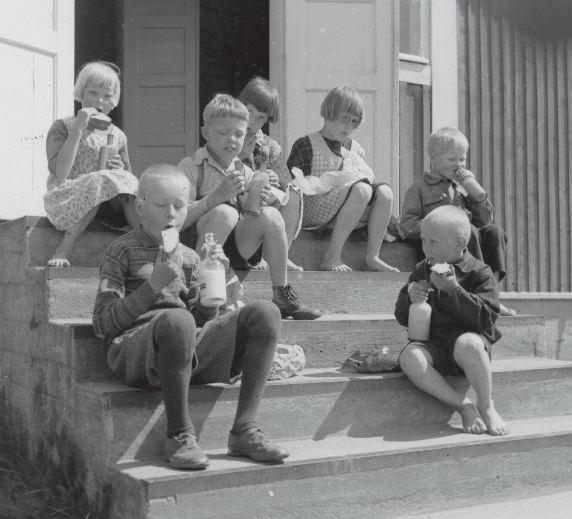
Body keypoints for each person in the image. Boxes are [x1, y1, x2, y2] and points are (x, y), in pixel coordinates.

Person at [92, 164, 289, 470]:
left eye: (179, 206)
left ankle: (244, 429)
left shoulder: (191, 257)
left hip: (180, 352)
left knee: (266, 312)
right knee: (178, 320)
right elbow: (103, 323)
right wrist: (153, 285)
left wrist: (211, 295)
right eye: (161, 205)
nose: (171, 215)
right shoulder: (121, 251)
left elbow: (198, 323)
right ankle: (179, 435)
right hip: (135, 352)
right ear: (140, 207)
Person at [178, 94, 320, 320]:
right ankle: (196, 292)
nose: (232, 140)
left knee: (271, 215)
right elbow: (177, 220)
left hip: (232, 250)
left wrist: (264, 196)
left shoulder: (244, 170)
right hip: (196, 250)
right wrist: (216, 197)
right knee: (225, 213)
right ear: (206, 133)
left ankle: (282, 293)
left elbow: (253, 212)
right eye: (223, 133)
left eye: (239, 134)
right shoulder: (191, 166)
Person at [395, 205, 510, 437]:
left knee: (469, 344)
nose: (426, 248)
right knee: (409, 358)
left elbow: (487, 319)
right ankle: (463, 405)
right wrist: (410, 299)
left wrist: (454, 290)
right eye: (424, 241)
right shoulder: (422, 270)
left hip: (468, 348)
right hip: (434, 345)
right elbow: (401, 316)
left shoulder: (480, 272)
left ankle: (486, 406)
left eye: (433, 242)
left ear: (459, 243)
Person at [398, 127, 516, 316]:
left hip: (466, 246)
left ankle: (490, 295)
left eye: (462, 159)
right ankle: (472, 292)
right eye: (452, 159)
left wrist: (476, 194)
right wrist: (439, 226)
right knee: (469, 230)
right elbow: (406, 225)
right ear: (433, 158)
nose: (458, 165)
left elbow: (485, 220)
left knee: (494, 232)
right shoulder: (419, 188)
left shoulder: (461, 188)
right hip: (440, 249)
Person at [286, 86, 398, 273]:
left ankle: (372, 257)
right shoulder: (307, 144)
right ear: (330, 113)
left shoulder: (354, 148)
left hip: (346, 211)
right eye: (345, 118)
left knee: (385, 192)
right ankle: (332, 257)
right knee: (362, 189)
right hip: (314, 208)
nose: (349, 127)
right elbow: (293, 187)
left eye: (354, 122)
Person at [44, 61, 139, 267]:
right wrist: (78, 128)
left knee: (127, 180)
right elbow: (60, 172)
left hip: (107, 207)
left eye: (107, 96)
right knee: (99, 181)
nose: (99, 101)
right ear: (81, 92)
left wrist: (120, 169)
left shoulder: (118, 135)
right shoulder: (63, 126)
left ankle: (145, 245)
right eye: (93, 93)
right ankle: (63, 249)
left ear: (114, 101)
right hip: (67, 198)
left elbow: (129, 183)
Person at [238, 77, 303, 271]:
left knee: (293, 193)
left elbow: (284, 182)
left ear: (267, 120)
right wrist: (240, 156)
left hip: (265, 203)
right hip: (236, 203)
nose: (252, 121)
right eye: (249, 112)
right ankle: (254, 256)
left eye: (261, 118)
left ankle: (278, 256)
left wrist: (274, 179)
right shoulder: (227, 136)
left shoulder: (270, 146)